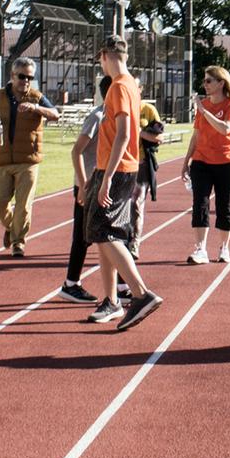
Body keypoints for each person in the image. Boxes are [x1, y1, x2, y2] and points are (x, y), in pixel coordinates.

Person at [83, 35, 163, 330]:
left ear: (105, 55)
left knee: (105, 233)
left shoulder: (118, 87)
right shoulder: (129, 84)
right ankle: (111, 299)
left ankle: (141, 294)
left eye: (100, 60)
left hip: (115, 170)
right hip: (113, 168)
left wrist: (106, 180)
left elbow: (124, 135)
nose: (101, 66)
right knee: (102, 234)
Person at [0, 57, 60, 257]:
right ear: (12, 76)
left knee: (23, 205)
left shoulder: (36, 96)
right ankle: (12, 227)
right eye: (22, 76)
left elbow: (56, 114)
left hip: (28, 160)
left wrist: (36, 108)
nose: (26, 81)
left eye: (30, 77)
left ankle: (18, 242)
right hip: (1, 159)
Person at [182, 66, 230, 264]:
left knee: (225, 206)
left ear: (221, 83)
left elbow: (225, 128)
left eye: (209, 81)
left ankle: (224, 248)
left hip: (226, 162)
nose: (204, 84)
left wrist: (204, 111)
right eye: (204, 81)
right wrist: (186, 162)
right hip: (202, 162)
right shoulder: (204, 106)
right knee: (200, 203)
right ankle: (200, 249)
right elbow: (196, 135)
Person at [57, 77, 109, 304]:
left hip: (104, 183)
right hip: (88, 185)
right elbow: (76, 151)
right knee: (85, 236)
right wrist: (82, 185)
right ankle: (71, 284)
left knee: (106, 236)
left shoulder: (118, 118)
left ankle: (119, 285)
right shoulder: (97, 117)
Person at [129, 98, 165, 259]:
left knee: (136, 204)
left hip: (141, 164)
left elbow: (159, 137)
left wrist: (140, 132)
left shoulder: (148, 110)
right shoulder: (118, 105)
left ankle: (134, 243)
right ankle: (120, 238)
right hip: (120, 163)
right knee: (119, 205)